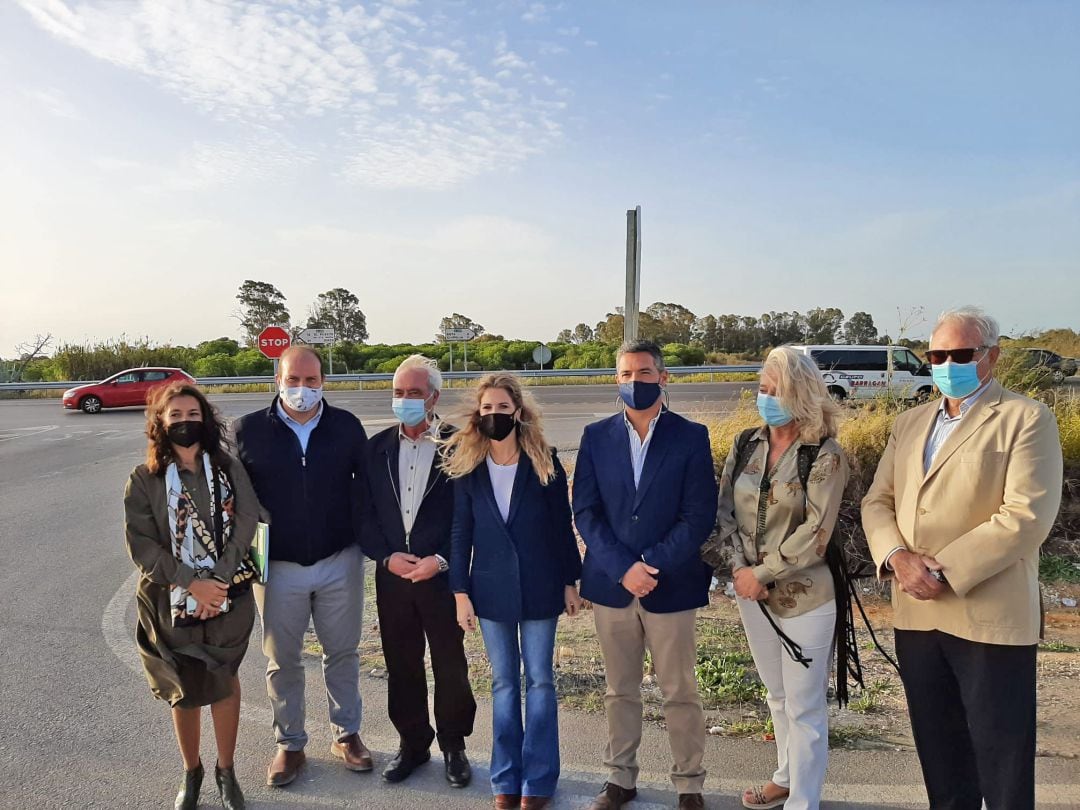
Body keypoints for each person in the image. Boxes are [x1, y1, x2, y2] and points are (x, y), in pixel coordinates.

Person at [863, 306, 1063, 810]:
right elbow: (877, 501)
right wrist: (897, 557)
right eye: (936, 354)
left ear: (991, 357)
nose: (946, 363)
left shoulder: (1025, 418)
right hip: (917, 612)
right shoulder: (908, 423)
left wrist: (940, 571)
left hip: (987, 614)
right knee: (940, 753)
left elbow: (1026, 515)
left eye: (960, 353)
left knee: (1002, 757)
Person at [574, 339, 718, 810]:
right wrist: (623, 568)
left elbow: (698, 516)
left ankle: (689, 784)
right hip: (612, 586)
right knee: (620, 690)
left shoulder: (691, 436)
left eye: (644, 373)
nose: (634, 382)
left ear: (663, 377)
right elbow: (586, 512)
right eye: (625, 374)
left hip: (669, 584)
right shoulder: (596, 436)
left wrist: (649, 566)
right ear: (616, 379)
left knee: (679, 690)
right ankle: (620, 779)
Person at [703, 347, 848, 810]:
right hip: (751, 593)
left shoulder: (823, 453)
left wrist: (763, 572)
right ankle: (785, 776)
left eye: (775, 390)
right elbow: (722, 510)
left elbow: (817, 531)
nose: (765, 398)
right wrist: (741, 572)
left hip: (805, 598)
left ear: (801, 394)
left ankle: (803, 802)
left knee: (805, 705)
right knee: (777, 695)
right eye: (762, 389)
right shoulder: (747, 442)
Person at [234, 345, 371, 787]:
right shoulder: (248, 431)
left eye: (311, 381)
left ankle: (346, 734)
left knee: (343, 652)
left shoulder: (346, 427)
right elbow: (233, 499)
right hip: (277, 567)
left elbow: (366, 490)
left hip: (339, 559)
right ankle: (290, 743)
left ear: (323, 383)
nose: (302, 389)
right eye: (294, 380)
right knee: (282, 659)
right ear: (278, 379)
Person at [445, 373, 583, 810]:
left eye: (502, 409)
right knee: (504, 684)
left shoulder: (545, 462)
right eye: (486, 409)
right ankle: (506, 778)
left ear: (518, 413)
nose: (494, 416)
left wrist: (570, 581)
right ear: (477, 415)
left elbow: (563, 527)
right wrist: (460, 592)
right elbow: (459, 532)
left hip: (541, 587)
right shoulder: (468, 468)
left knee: (540, 681)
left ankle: (539, 780)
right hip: (490, 592)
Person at [123, 382, 258, 810]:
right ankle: (192, 770)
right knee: (184, 686)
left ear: (206, 419)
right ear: (160, 423)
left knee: (224, 681)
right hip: (169, 599)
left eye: (193, 415)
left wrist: (216, 581)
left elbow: (247, 521)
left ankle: (226, 770)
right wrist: (190, 582)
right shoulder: (145, 479)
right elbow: (143, 545)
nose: (185, 423)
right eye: (175, 416)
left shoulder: (227, 468)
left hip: (227, 596)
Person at [361, 355, 476, 787]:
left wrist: (440, 560)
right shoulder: (375, 449)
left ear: (433, 396)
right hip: (393, 577)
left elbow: (468, 517)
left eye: (414, 393)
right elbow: (364, 515)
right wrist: (386, 557)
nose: (406, 400)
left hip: (441, 576)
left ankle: (453, 744)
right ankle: (412, 744)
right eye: (399, 393)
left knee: (450, 664)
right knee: (401, 663)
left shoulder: (459, 444)